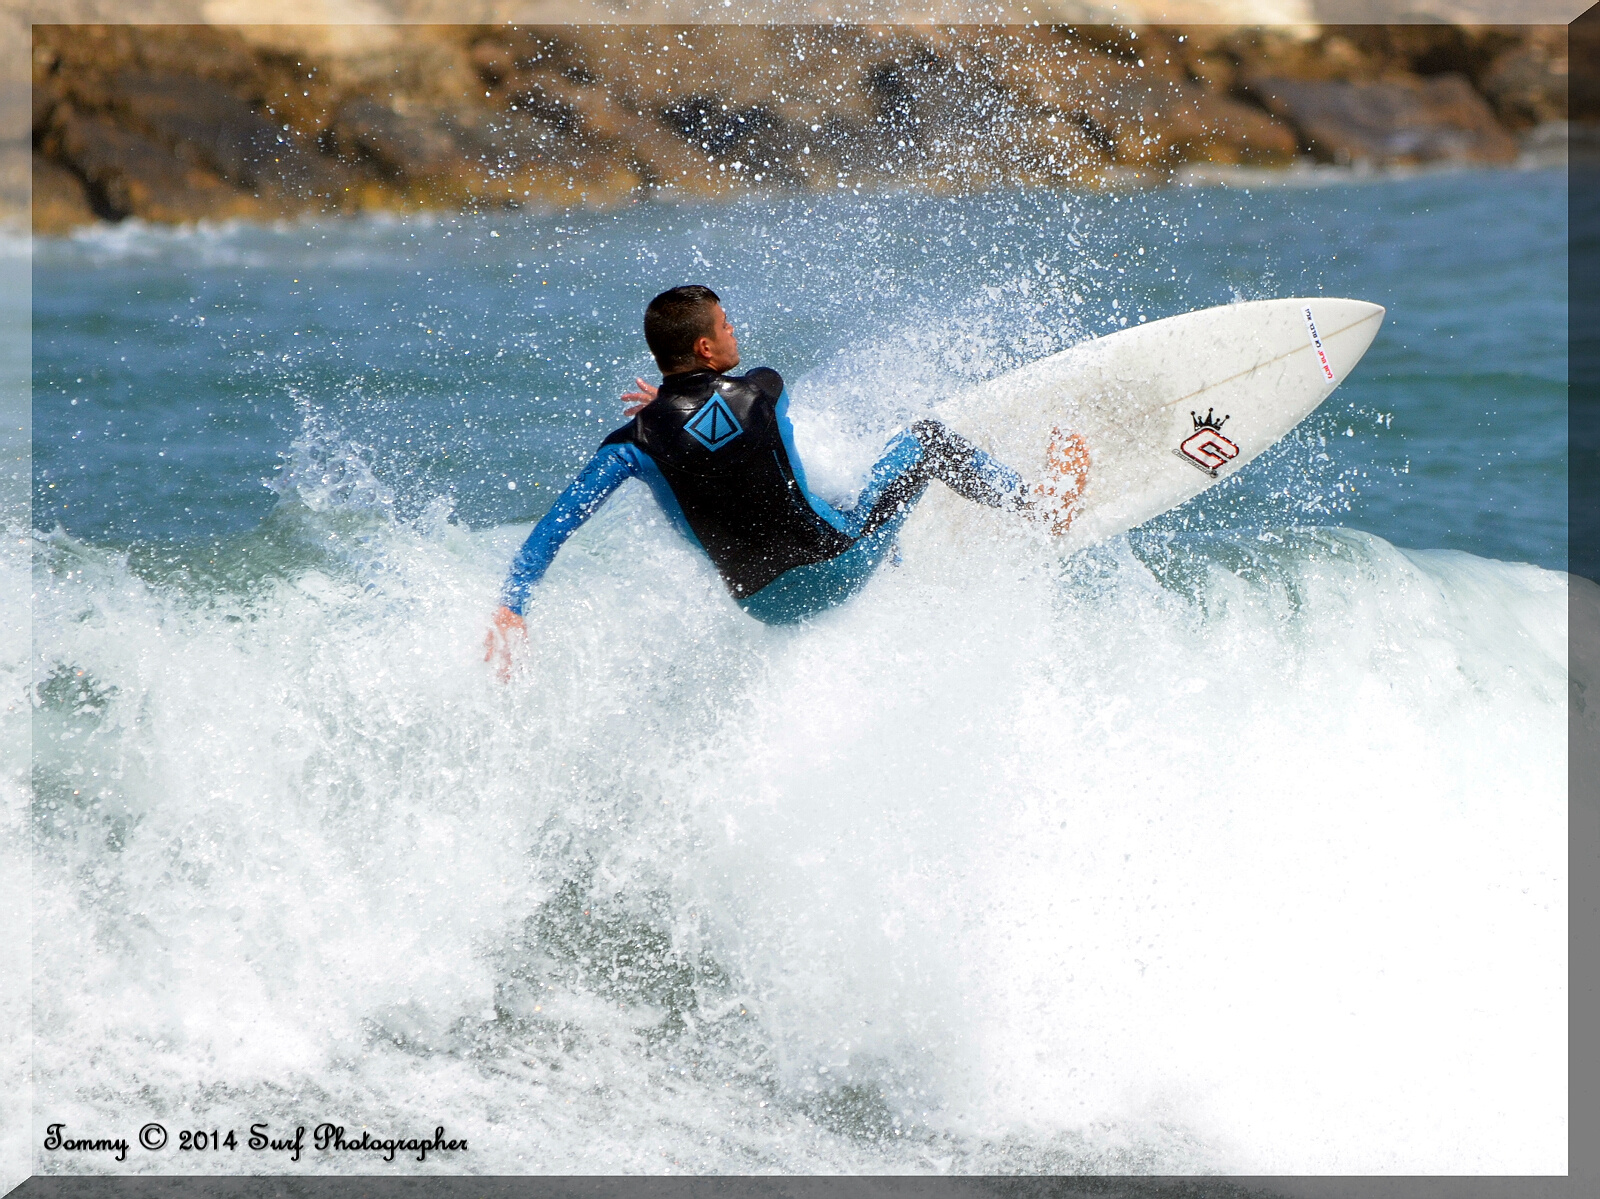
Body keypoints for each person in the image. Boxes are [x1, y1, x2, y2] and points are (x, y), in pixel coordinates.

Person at [485, 285, 1087, 668]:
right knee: (922, 443)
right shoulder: (763, 387)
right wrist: (678, 405)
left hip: (765, 606)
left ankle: (896, 564)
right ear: (704, 346)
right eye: (725, 326)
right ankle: (1041, 507)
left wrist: (513, 605)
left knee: (800, 497)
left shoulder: (628, 444)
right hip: (836, 565)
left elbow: (557, 523)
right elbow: (722, 428)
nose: (734, 334)